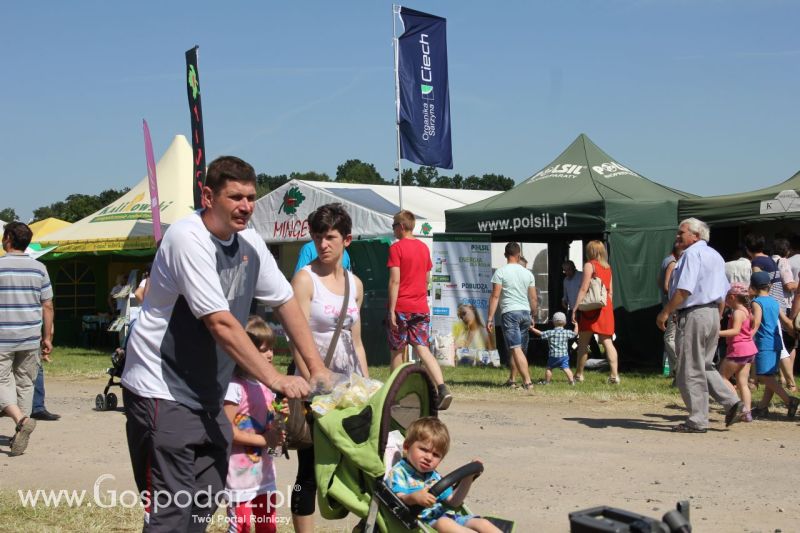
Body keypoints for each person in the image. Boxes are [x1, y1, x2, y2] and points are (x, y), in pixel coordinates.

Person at [120, 156, 327, 531]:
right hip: (161, 389)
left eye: (251, 197)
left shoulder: (248, 240)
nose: (246, 206)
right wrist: (276, 379)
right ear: (208, 195)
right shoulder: (187, 238)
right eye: (235, 197)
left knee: (204, 501)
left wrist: (318, 368)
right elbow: (220, 323)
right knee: (170, 513)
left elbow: (285, 302)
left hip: (208, 395)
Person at [290, 203, 369, 533]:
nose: (323, 244)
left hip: (348, 389)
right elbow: (297, 338)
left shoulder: (356, 284)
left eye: (330, 237)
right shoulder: (305, 280)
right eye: (318, 236)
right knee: (309, 469)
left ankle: (367, 525)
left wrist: (366, 386)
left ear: (346, 240)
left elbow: (357, 341)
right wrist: (310, 386)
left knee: (361, 462)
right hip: (314, 388)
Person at [657, 218, 744, 433]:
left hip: (695, 313)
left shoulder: (691, 254)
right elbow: (724, 291)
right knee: (705, 365)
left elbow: (684, 289)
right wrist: (718, 314)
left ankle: (698, 420)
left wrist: (666, 311)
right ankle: (732, 402)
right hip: (712, 312)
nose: (678, 236)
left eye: (682, 232)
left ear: (695, 235)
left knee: (690, 368)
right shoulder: (715, 255)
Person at [224, 316, 286, 533]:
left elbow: (268, 429)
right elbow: (226, 429)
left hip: (264, 475)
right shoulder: (234, 387)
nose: (269, 354)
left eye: (271, 349)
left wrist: (279, 422)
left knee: (267, 527)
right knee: (240, 526)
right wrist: (263, 439)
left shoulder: (266, 386)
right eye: (262, 349)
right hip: (239, 478)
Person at [388, 417, 501, 533]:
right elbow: (398, 500)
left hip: (450, 517)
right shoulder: (398, 472)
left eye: (436, 455)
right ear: (407, 447)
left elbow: (454, 501)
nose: (429, 458)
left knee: (483, 523)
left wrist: (468, 477)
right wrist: (414, 497)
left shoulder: (432, 475)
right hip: (425, 523)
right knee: (444, 523)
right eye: (423, 449)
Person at [387, 210, 452, 409]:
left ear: (401, 226)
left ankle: (394, 395)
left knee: (397, 351)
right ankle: (442, 388)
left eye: (394, 226)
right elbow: (426, 279)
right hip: (420, 306)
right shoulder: (424, 248)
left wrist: (391, 309)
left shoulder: (396, 248)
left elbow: (394, 280)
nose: (393, 230)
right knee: (422, 348)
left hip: (401, 306)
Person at [0, 222, 54, 456]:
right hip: (30, 336)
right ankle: (19, 430)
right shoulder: (40, 268)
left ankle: (21, 421)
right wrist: (48, 337)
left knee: (1, 380)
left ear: (9, 238)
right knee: (26, 383)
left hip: (2, 336)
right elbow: (48, 305)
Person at [745, 233, 796, 392]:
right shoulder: (770, 259)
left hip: (765, 305)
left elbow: (757, 284)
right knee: (774, 345)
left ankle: (790, 383)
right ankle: (755, 380)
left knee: (779, 349)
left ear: (748, 250)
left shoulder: (757, 263)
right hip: (776, 303)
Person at [749, 271, 800, 420]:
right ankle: (762, 408)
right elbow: (785, 321)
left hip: (765, 342)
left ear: (752, 286)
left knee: (763, 376)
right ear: (770, 286)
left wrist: (749, 336)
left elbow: (757, 322)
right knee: (769, 375)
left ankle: (789, 400)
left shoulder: (756, 302)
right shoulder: (774, 302)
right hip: (777, 341)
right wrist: (793, 330)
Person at [487, 242, 537, 390]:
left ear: (505, 255)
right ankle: (512, 380)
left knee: (515, 348)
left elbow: (495, 296)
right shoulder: (527, 273)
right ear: (519, 254)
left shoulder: (500, 272)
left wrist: (490, 318)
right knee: (519, 348)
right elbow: (533, 298)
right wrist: (533, 315)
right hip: (525, 312)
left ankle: (527, 382)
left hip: (510, 313)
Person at [572, 240, 619, 384]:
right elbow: (610, 292)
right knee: (607, 342)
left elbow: (584, 288)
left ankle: (579, 375)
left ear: (590, 252)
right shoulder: (607, 267)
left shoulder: (589, 265)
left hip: (590, 309)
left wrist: (575, 308)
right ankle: (614, 375)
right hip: (605, 307)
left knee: (583, 343)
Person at [718, 282, 758, 423]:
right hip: (749, 350)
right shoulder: (747, 311)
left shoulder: (738, 312)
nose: (725, 300)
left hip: (738, 350)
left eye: (727, 297)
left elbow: (735, 331)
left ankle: (737, 406)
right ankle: (747, 413)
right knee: (742, 382)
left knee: (722, 378)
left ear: (733, 296)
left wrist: (717, 333)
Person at [771, 238, 797, 391]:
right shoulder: (784, 262)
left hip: (769, 305)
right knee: (787, 344)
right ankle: (788, 380)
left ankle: (780, 377)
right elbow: (789, 284)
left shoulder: (768, 262)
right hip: (783, 306)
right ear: (787, 251)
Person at [530, 312, 576, 385]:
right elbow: (574, 334)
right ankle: (571, 381)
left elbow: (541, 333)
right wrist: (576, 325)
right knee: (566, 368)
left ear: (553, 322)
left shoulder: (550, 332)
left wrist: (532, 329)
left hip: (553, 356)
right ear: (565, 322)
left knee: (549, 368)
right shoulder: (567, 332)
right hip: (564, 356)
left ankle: (547, 382)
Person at [659, 245, 682, 380]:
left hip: (668, 304)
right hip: (672, 305)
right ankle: (679, 366)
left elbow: (659, 281)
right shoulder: (672, 263)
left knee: (671, 337)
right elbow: (667, 286)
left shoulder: (666, 260)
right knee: (670, 337)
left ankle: (676, 370)